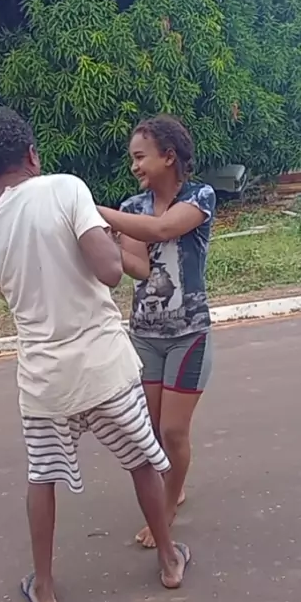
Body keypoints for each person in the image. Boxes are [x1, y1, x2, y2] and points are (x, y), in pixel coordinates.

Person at [0, 107, 191, 602]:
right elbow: (110, 271)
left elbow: (4, 289)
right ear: (31, 155)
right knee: (140, 462)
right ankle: (169, 561)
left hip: (44, 378)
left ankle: (44, 588)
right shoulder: (66, 188)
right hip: (104, 365)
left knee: (42, 477)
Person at [98, 115, 216, 549]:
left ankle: (167, 508)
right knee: (151, 430)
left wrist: (91, 210)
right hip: (145, 336)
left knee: (173, 431)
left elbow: (164, 230)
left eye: (140, 157)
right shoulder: (132, 208)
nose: (134, 166)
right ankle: (174, 486)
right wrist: (110, 241)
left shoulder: (199, 196)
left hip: (189, 334)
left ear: (168, 157)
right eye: (132, 158)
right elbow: (141, 269)